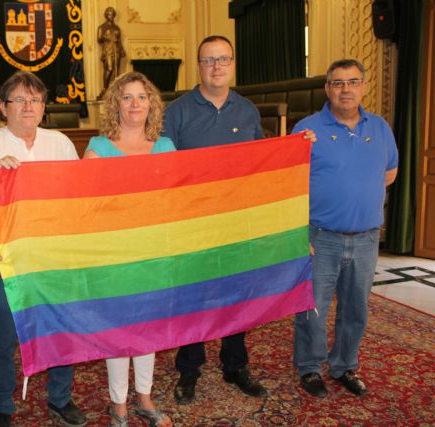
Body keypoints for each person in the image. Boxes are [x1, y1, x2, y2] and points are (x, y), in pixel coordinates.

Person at [0, 71, 87, 427]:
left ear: (44, 107)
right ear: (3, 108)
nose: (28, 106)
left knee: (60, 328)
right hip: (7, 257)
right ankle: (2, 403)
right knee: (3, 335)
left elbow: (76, 199)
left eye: (34, 100)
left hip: (54, 256)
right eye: (18, 100)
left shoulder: (61, 143)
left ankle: (61, 398)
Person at [161, 35, 268, 404]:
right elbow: (162, 165)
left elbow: (261, 161)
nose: (217, 66)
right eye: (209, 60)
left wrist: (299, 146)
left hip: (237, 222)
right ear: (199, 66)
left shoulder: (248, 110)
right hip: (192, 223)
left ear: (233, 63)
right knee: (193, 297)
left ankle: (235, 365)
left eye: (223, 59)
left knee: (236, 295)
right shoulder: (176, 111)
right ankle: (189, 369)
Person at [293, 59, 398, 398]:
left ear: (364, 86)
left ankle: (344, 366)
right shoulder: (307, 130)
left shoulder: (380, 127)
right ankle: (310, 368)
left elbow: (390, 172)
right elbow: (288, 185)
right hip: (320, 239)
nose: (345, 89)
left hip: (367, 240)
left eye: (352, 82)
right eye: (337, 83)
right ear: (327, 89)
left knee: (356, 309)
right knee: (313, 310)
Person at [84, 71, 174, 427]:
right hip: (115, 252)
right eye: (127, 97)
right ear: (115, 105)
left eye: (141, 96)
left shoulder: (166, 147)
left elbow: (176, 198)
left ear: (151, 103)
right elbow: (86, 204)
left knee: (148, 327)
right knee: (119, 327)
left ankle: (146, 397)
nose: (135, 104)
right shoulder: (98, 148)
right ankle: (119, 403)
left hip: (153, 250)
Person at [97, 7, 125, 99]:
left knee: (116, 71)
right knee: (109, 69)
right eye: (109, 14)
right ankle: (105, 88)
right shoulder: (102, 27)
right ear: (106, 15)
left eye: (112, 14)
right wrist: (106, 36)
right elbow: (99, 39)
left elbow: (119, 40)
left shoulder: (117, 28)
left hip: (116, 49)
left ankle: (115, 90)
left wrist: (122, 50)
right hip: (108, 49)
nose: (111, 16)